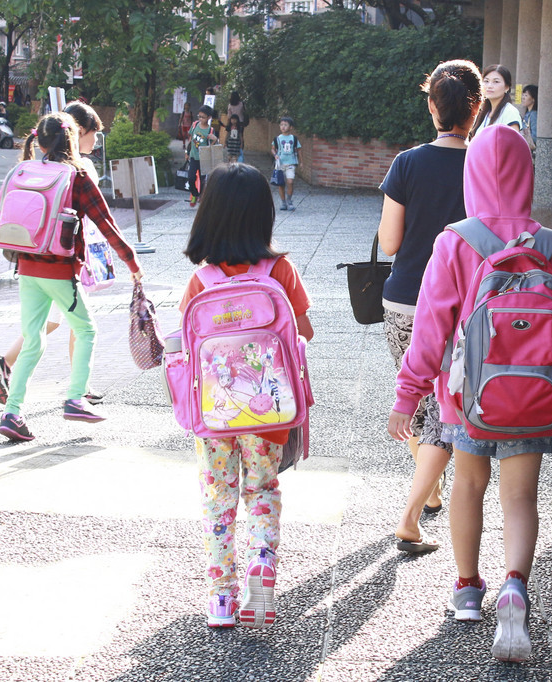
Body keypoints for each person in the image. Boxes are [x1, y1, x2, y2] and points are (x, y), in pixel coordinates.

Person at [387, 125, 552, 662]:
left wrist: (407, 395)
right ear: (526, 175)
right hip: (534, 395)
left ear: (471, 176)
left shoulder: (456, 241)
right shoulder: (550, 244)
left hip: (466, 396)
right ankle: (514, 585)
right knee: (520, 497)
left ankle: (468, 590)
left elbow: (429, 331)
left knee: (469, 486)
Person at [179, 162, 314, 629]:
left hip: (214, 414)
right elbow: (304, 332)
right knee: (262, 488)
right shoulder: (280, 270)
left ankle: (221, 599)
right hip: (269, 410)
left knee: (218, 497)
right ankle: (262, 560)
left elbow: (185, 346)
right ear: (263, 215)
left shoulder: (201, 282)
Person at [377, 59, 482, 554]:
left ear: (432, 107)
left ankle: (426, 496)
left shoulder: (407, 163)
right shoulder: (484, 165)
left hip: (405, 299)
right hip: (465, 306)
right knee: (445, 411)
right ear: (476, 109)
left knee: (417, 402)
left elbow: (390, 242)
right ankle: (414, 513)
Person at [0, 112, 143, 442]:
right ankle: (76, 398)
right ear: (72, 140)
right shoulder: (77, 176)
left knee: (33, 340)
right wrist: (132, 263)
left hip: (26, 268)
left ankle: (12, 412)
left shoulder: (25, 171)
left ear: (41, 143)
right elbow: (107, 225)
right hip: (60, 270)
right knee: (86, 329)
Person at [0, 101, 110, 407]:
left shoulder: (36, 168)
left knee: (48, 325)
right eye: (94, 132)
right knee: (81, 325)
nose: (96, 139)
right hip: (67, 259)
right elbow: (100, 219)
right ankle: (77, 390)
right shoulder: (80, 170)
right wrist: (130, 262)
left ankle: (12, 388)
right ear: (78, 132)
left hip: (36, 258)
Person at [469, 65, 522, 139]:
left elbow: (512, 143)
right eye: (486, 81)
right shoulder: (483, 112)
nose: (489, 86)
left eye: (496, 82)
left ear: (507, 87)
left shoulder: (510, 112)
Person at [186, 105, 219, 208]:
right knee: (191, 177)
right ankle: (194, 193)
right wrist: (187, 152)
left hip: (204, 159)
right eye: (199, 116)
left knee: (203, 180)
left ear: (209, 117)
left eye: (203, 117)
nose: (200, 119)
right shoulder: (195, 124)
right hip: (193, 156)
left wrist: (215, 139)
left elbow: (211, 147)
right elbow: (190, 139)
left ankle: (201, 197)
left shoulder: (210, 130)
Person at [272, 117, 301, 211]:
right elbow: (273, 149)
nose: (283, 127)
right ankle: (283, 202)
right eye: (281, 125)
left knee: (290, 181)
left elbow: (299, 150)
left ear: (290, 127)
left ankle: (289, 201)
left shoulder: (294, 138)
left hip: (291, 163)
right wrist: (275, 155)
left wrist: (301, 162)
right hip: (280, 164)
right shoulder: (277, 138)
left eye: (285, 125)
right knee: (281, 183)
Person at [226, 91, 247, 161]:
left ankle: (231, 151)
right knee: (240, 136)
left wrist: (229, 123)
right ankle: (240, 150)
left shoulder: (230, 105)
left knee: (232, 137)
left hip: (232, 123)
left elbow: (229, 116)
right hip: (240, 122)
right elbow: (244, 112)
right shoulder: (241, 104)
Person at [521, 84, 538, 154]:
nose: (523, 98)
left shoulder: (533, 114)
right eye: (523, 95)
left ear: (533, 99)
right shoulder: (527, 114)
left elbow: (535, 136)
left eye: (526, 95)